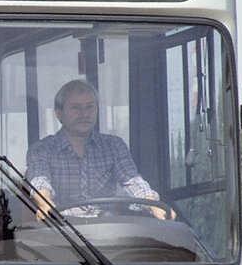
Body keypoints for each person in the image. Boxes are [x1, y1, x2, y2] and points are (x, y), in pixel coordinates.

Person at [26, 79, 167, 220]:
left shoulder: (113, 146)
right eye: (75, 108)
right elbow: (40, 182)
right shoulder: (42, 150)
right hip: (63, 231)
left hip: (107, 231)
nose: (84, 114)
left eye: (90, 107)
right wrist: (45, 204)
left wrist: (152, 204)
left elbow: (132, 181)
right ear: (59, 113)